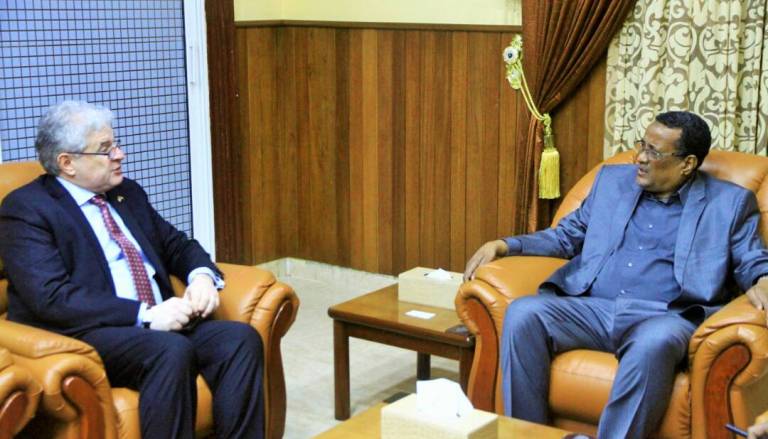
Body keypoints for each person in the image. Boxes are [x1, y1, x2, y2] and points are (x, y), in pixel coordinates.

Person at [463, 111, 768, 438]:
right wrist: (505, 245)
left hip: (664, 317)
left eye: (654, 152)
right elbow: (566, 236)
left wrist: (763, 279)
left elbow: (751, 257)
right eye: (642, 145)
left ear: (687, 164)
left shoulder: (729, 203)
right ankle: (527, 435)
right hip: (592, 309)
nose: (640, 157)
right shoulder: (611, 182)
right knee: (524, 313)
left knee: (655, 342)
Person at [0, 101, 264, 439]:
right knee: (170, 350)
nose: (120, 154)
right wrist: (146, 315)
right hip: (89, 332)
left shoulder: (126, 193)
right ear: (67, 163)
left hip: (163, 321)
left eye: (116, 144)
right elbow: (51, 297)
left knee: (239, 338)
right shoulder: (26, 209)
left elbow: (177, 245)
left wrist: (201, 277)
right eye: (105, 149)